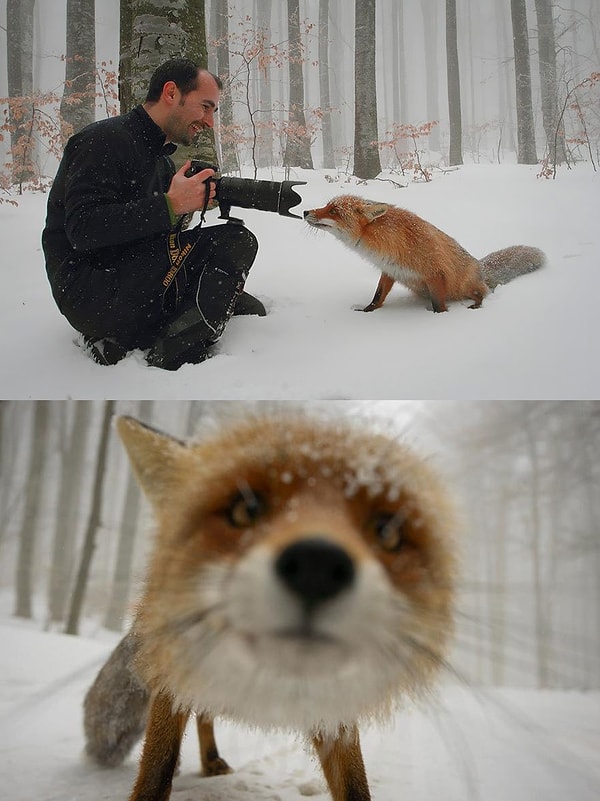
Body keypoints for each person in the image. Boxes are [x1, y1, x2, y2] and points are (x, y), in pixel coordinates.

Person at [42, 58, 265, 370]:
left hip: (131, 275)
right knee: (235, 242)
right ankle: (174, 349)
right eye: (205, 106)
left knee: (226, 244)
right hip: (92, 292)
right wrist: (170, 206)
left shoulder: (161, 161)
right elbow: (83, 230)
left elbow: (149, 233)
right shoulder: (102, 140)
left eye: (213, 110)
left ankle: (190, 305)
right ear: (171, 93)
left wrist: (186, 206)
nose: (210, 121)